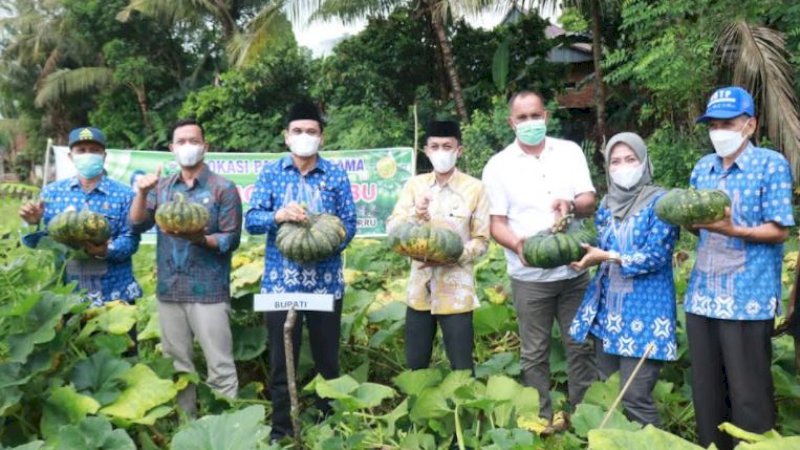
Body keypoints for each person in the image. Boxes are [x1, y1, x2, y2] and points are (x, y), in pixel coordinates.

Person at [685, 86, 794, 450]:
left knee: (748, 392)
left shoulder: (770, 164)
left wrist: (735, 229)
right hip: (703, 295)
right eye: (713, 124)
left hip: (747, 295)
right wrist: (688, 220)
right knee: (707, 390)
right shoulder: (703, 168)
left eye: (727, 123)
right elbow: (693, 222)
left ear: (750, 125)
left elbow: (780, 230)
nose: (719, 131)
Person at [481, 91, 597, 426]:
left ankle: (583, 417)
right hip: (528, 275)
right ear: (511, 122)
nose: (530, 123)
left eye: (536, 116)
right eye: (523, 118)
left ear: (546, 116)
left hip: (575, 269)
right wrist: (519, 245)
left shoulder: (570, 152)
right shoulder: (498, 166)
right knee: (534, 353)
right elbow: (496, 223)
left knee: (580, 345)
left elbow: (588, 199)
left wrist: (571, 205)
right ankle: (541, 419)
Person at [245, 100, 357, 441]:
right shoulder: (271, 173)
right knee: (282, 362)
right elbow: (252, 221)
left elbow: (349, 224)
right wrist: (278, 216)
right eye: (297, 131)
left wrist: (326, 243)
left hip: (325, 284)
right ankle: (282, 430)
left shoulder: (336, 174)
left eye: (311, 131)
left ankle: (328, 427)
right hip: (280, 285)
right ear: (286, 136)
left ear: (321, 137)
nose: (304, 136)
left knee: (327, 360)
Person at [129, 118, 242, 416]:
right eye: (181, 141)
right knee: (178, 367)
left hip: (210, 291)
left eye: (194, 141)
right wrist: (141, 193)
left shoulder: (224, 189)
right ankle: (186, 429)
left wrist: (200, 239)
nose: (188, 146)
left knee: (220, 364)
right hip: (170, 289)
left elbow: (231, 239)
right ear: (172, 148)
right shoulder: (162, 188)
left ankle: (226, 432)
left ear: (205, 146)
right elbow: (137, 224)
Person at [568, 132, 679, 426]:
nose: (623, 166)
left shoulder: (663, 203)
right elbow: (601, 247)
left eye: (630, 159)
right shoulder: (606, 204)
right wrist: (583, 257)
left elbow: (657, 255)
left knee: (635, 396)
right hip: (610, 312)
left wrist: (607, 257)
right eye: (615, 161)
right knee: (609, 390)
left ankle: (651, 444)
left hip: (646, 312)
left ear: (644, 161)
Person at [387, 120, 490, 372]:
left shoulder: (475, 188)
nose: (441, 151)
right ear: (427, 150)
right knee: (416, 364)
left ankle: (464, 411)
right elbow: (393, 227)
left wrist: (454, 255)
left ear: (459, 150)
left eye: (447, 146)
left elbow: (482, 240)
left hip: (457, 291)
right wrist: (415, 212)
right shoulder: (414, 186)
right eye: (435, 146)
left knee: (462, 367)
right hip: (419, 291)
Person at [19, 126, 142, 307]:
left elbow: (131, 239)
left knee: (118, 336)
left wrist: (105, 251)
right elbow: (34, 242)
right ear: (71, 156)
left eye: (94, 150)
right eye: (81, 150)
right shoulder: (52, 193)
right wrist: (33, 224)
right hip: (69, 296)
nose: (88, 154)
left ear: (104, 156)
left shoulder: (125, 194)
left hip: (116, 293)